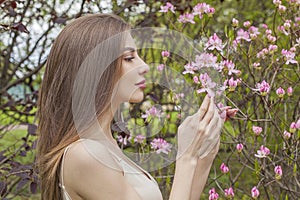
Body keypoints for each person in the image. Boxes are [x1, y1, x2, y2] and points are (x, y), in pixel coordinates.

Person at [36, 13, 233, 200]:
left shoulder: (105, 145)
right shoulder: (84, 155)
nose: (144, 65)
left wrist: (202, 152)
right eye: (129, 58)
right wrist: (185, 158)